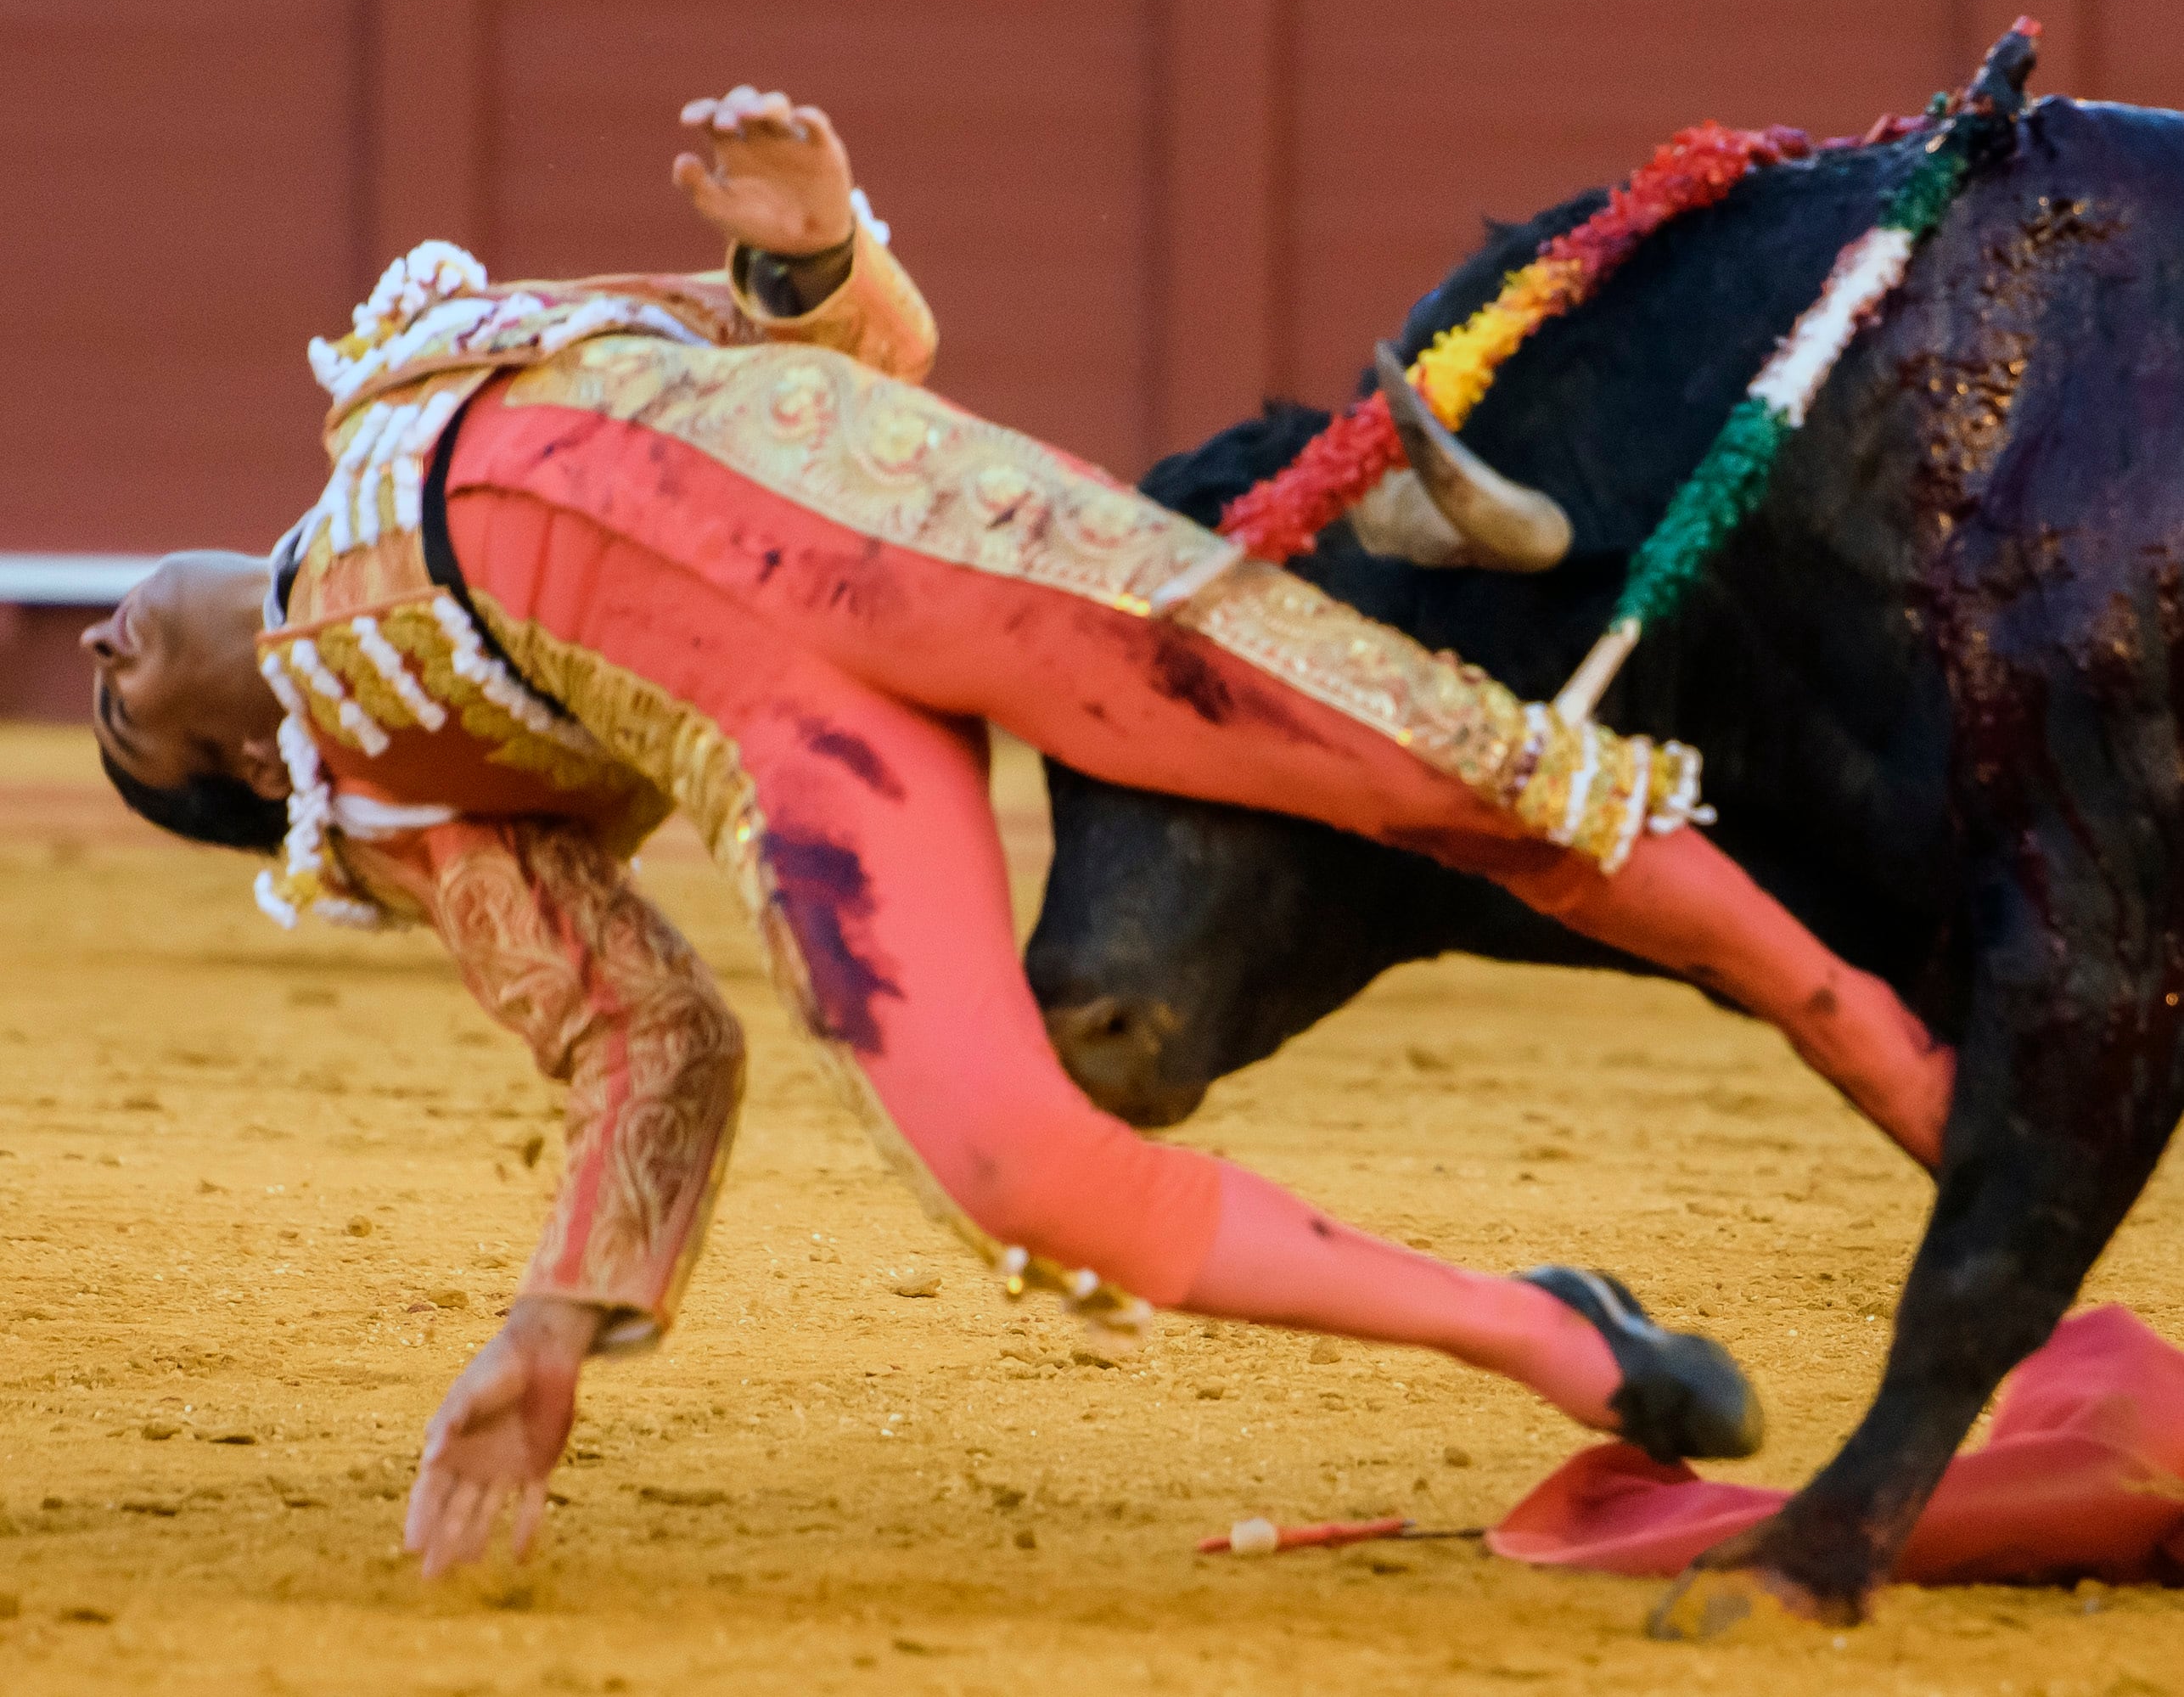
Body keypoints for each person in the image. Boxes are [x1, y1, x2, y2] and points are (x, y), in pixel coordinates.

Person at [82, 84, 1954, 1579]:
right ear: (246, 774)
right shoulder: (399, 807)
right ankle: (1549, 1336)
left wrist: (815, 259)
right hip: (794, 745)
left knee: (1429, 757)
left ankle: (1904, 1067)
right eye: (116, 709)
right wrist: (558, 1320)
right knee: (1014, 1171)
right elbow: (645, 1030)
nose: (97, 638)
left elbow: (790, 352)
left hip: (872, 502)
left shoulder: (404, 368)